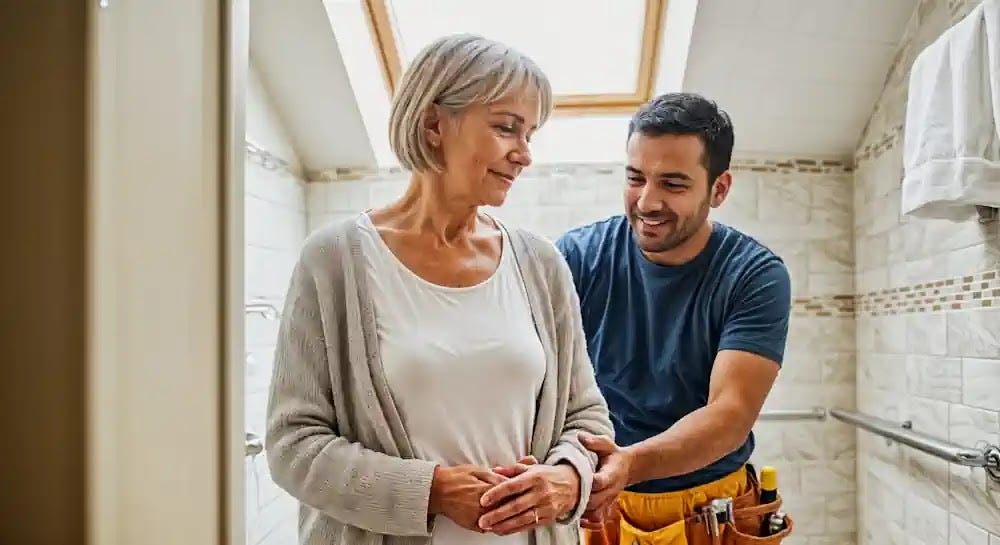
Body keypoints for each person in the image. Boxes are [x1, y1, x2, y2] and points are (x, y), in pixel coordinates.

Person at [265, 34, 613, 545]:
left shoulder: (540, 264)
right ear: (434, 126)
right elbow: (292, 444)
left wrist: (566, 478)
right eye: (505, 128)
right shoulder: (336, 260)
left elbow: (586, 414)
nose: (524, 155)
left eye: (530, 134)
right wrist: (430, 491)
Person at [555, 93, 792, 544]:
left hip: (710, 510)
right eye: (635, 177)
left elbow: (730, 414)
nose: (647, 201)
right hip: (599, 504)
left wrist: (629, 464)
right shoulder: (576, 257)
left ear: (718, 189)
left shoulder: (756, 275)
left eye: (673, 184)